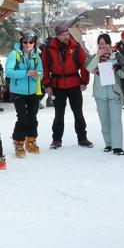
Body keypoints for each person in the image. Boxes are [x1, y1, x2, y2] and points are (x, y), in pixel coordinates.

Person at [42, 25, 93, 149]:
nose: (66, 36)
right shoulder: (49, 48)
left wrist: (84, 81)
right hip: (57, 85)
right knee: (59, 114)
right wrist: (47, 84)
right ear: (57, 35)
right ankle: (56, 139)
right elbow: (45, 67)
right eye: (63, 35)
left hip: (74, 84)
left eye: (67, 34)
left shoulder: (76, 47)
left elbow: (83, 64)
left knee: (78, 113)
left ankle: (82, 138)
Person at [86, 33, 124, 155]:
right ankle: (109, 143)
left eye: (105, 43)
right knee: (104, 121)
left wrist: (118, 68)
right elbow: (88, 68)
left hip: (115, 93)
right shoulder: (95, 57)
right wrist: (97, 56)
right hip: (100, 94)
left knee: (115, 121)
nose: (103, 45)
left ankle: (117, 146)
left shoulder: (117, 56)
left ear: (109, 44)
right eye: (100, 43)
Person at [5, 30, 44, 158]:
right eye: (25, 42)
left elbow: (41, 73)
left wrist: (36, 75)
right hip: (18, 91)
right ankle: (19, 142)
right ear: (21, 42)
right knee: (22, 118)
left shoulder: (36, 55)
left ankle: (31, 141)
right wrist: (26, 73)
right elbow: (9, 72)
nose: (28, 44)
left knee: (32, 117)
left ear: (34, 43)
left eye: (30, 42)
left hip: (32, 91)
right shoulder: (14, 54)